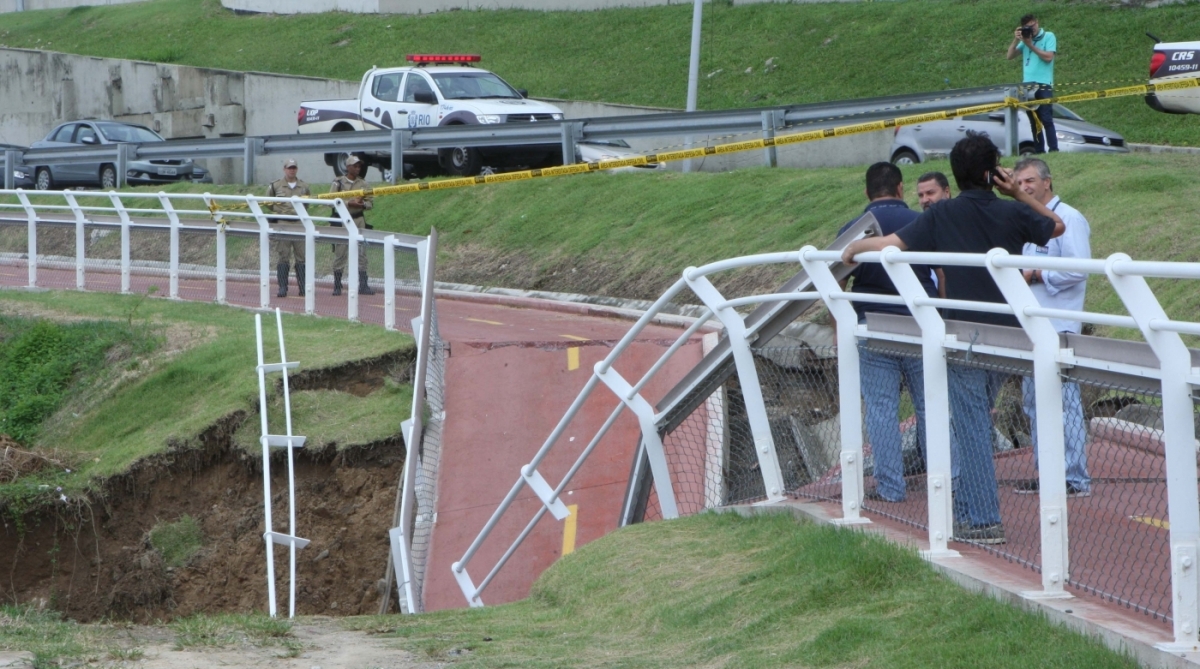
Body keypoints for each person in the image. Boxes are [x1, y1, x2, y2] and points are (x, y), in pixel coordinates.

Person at [841, 131, 1065, 545]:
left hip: (965, 336)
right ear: (992, 172)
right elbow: (1056, 225)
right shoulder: (1010, 213)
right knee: (975, 420)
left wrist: (853, 248)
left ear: (956, 177)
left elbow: (890, 244)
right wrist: (1017, 192)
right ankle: (968, 511)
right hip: (1012, 335)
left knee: (972, 425)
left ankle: (982, 519)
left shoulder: (942, 215)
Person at [838, 163, 939, 503]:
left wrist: (846, 317)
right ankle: (943, 481)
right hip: (920, 324)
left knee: (881, 409)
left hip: (873, 325)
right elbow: (942, 270)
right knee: (930, 405)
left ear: (867, 193)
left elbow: (835, 281)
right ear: (900, 189)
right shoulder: (923, 221)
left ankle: (891, 488)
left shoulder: (852, 230)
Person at [1011, 157, 1092, 498]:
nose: (1024, 187)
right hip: (1033, 327)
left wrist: (1036, 274)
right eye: (1019, 182)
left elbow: (1079, 269)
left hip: (1059, 326)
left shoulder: (1069, 218)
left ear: (1047, 182)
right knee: (1034, 404)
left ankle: (1074, 478)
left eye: (1029, 181)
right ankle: (1048, 473)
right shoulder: (1030, 221)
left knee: (1064, 403)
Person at [1007, 13, 1058, 153]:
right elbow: (1009, 56)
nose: (1031, 29)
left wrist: (1031, 45)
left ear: (1037, 22)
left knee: (1047, 119)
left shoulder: (1048, 36)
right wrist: (1016, 40)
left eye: (1032, 25)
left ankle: (1054, 149)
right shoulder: (1024, 41)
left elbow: (1048, 57)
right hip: (1027, 87)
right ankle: (1039, 151)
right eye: (1027, 27)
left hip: (1043, 84)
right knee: (1034, 122)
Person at [328, 155, 375, 296]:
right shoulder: (338, 183)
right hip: (342, 220)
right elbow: (330, 199)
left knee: (361, 253)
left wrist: (363, 205)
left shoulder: (363, 184)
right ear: (348, 167)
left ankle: (363, 284)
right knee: (340, 253)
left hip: (358, 219)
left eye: (359, 166)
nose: (358, 168)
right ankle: (337, 285)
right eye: (355, 166)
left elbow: (371, 202)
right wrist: (349, 203)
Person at [267, 159, 311, 298]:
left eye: (294, 168)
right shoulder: (276, 185)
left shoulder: (303, 186)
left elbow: (307, 203)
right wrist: (278, 210)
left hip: (298, 223)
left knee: (301, 256)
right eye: (289, 168)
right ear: (284, 169)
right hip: (283, 223)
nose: (292, 170)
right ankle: (282, 287)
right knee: (283, 255)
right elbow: (267, 201)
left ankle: (303, 287)